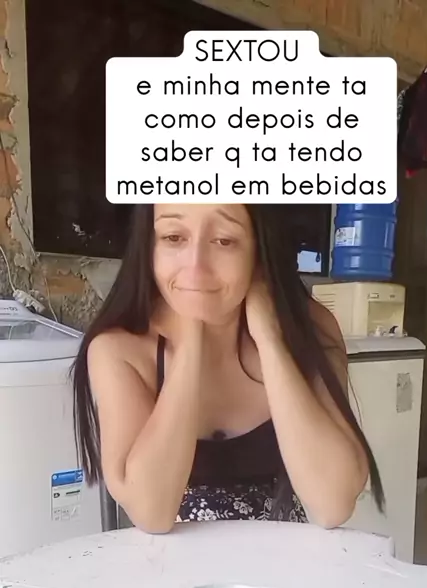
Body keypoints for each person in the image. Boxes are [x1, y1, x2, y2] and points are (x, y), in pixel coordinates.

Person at [72, 203, 384, 533]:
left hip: (288, 562)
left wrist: (269, 338)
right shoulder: (120, 349)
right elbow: (151, 512)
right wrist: (191, 340)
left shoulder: (311, 329)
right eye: (173, 237)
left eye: (224, 240)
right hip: (170, 565)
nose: (195, 268)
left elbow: (333, 504)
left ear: (259, 248)